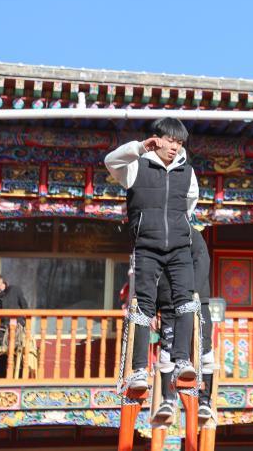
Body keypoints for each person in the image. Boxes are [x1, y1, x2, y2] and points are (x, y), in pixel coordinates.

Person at [104, 117, 199, 393]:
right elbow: (110, 161)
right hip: (146, 246)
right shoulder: (136, 166)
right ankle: (138, 370)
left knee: (185, 301)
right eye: (170, 140)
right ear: (156, 138)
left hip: (179, 247)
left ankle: (182, 360)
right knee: (144, 305)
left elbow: (190, 204)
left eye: (179, 142)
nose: (175, 147)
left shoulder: (187, 172)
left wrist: (178, 227)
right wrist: (139, 147)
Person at [152, 226, 215, 422]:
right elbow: (151, 273)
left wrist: (191, 293)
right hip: (168, 304)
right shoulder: (157, 237)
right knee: (167, 350)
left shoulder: (192, 235)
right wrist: (152, 308)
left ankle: (204, 402)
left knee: (204, 350)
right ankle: (168, 400)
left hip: (195, 301)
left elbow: (202, 263)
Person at [0, 271, 28, 378]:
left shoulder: (15, 290)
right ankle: (1, 379)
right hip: (1, 331)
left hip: (17, 329)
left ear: (1, 279)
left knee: (17, 354)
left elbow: (25, 308)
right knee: (1, 356)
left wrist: (22, 323)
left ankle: (18, 379)